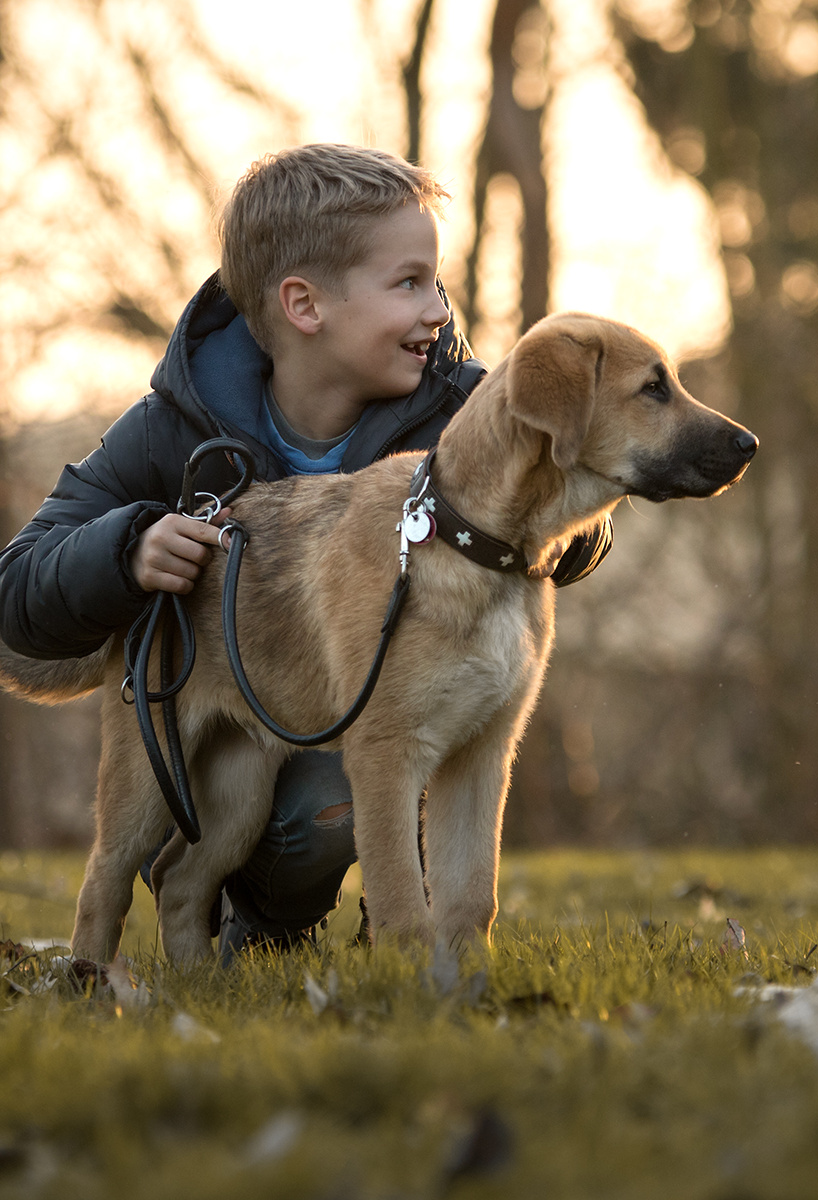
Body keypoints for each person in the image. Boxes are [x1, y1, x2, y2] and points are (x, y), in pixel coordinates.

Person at [0, 143, 610, 961]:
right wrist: (125, 549)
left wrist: (551, 526)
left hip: (370, 719)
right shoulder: (172, 423)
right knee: (297, 804)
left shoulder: (465, 413)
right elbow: (18, 593)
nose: (439, 310)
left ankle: (387, 942)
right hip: (215, 676)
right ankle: (237, 929)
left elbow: (571, 521)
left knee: (380, 757)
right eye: (408, 283)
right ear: (304, 305)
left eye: (438, 281)